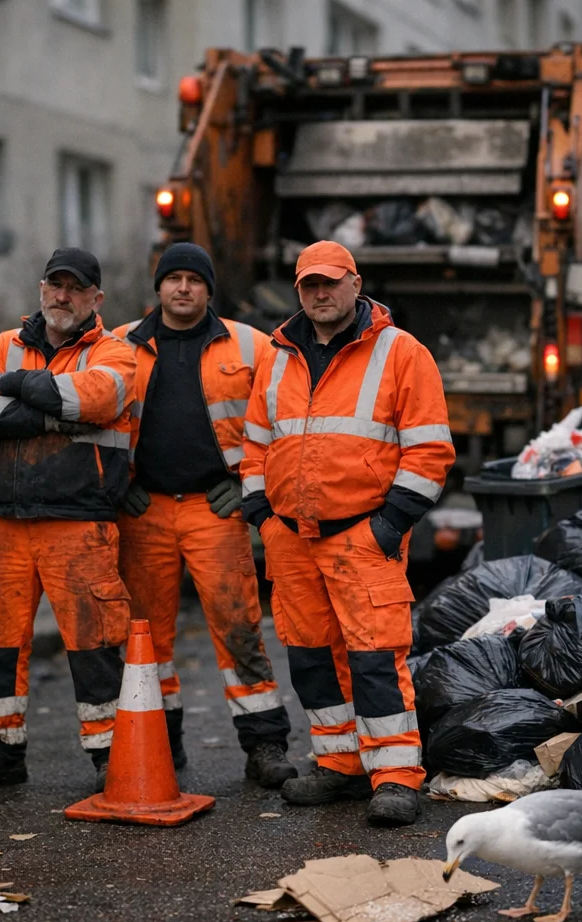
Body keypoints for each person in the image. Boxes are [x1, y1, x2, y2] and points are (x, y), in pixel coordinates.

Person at [240, 241, 455, 826]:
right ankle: (340, 764)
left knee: (376, 657)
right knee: (311, 657)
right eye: (310, 285)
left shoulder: (400, 351)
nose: (321, 294)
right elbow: (255, 442)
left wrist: (389, 525)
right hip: (291, 537)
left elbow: (430, 449)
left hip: (361, 535)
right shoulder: (278, 357)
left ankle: (395, 775)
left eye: (331, 282)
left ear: (356, 285)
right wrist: (263, 516)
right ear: (298, 291)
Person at [0, 248, 137, 790]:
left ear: (96, 298)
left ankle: (112, 757)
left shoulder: (115, 352)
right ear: (41, 289)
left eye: (76, 288)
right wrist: (56, 415)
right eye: (56, 285)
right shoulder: (0, 345)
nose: (63, 296)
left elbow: (98, 400)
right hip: (3, 521)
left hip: (78, 519)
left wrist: (16, 389)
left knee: (94, 643)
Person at [111, 243, 295, 788]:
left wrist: (245, 485)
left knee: (239, 629)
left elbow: (284, 422)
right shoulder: (118, 344)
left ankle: (264, 746)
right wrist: (118, 486)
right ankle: (158, 745)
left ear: (209, 289)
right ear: (159, 287)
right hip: (143, 510)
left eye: (195, 279)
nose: (184, 288)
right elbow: (96, 420)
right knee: (145, 639)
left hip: (214, 510)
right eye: (174, 278)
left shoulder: (250, 344)